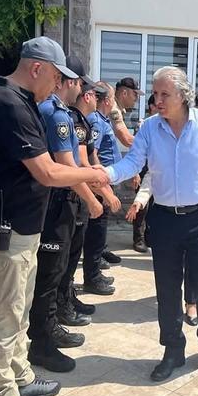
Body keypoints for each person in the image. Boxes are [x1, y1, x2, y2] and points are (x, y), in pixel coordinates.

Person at [0, 36, 108, 396]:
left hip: (27, 226)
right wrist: (94, 175)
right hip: (9, 228)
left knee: (20, 308)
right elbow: (47, 172)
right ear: (37, 68)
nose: (59, 85)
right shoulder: (6, 103)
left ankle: (20, 375)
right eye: (56, 77)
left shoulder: (27, 102)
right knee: (5, 312)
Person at [106, 66, 198, 381]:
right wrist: (106, 175)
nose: (158, 100)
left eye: (164, 94)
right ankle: (172, 350)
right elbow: (133, 162)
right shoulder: (150, 129)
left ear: (183, 95)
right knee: (167, 290)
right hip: (165, 219)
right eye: (155, 93)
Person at [27, 55, 110, 373]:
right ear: (71, 82)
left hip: (61, 199)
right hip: (58, 201)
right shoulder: (57, 114)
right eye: (80, 84)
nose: (83, 90)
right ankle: (43, 340)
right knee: (50, 274)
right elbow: (68, 165)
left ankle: (49, 327)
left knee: (58, 268)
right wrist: (93, 196)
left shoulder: (58, 111)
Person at [56, 80, 120, 326]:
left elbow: (93, 160)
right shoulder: (75, 120)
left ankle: (67, 297)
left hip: (83, 192)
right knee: (64, 258)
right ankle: (61, 305)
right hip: (73, 195)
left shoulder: (82, 120)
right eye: (93, 93)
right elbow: (81, 164)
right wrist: (101, 195)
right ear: (87, 97)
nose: (96, 98)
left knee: (73, 254)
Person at [82, 82, 122, 295]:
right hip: (97, 184)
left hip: (103, 181)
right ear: (107, 100)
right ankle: (92, 276)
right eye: (113, 97)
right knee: (95, 231)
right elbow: (92, 155)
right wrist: (103, 185)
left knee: (99, 231)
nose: (114, 102)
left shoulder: (103, 120)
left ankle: (95, 271)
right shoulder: (96, 121)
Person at [110, 77, 146, 253]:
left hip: (109, 166)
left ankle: (100, 251)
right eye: (134, 94)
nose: (136, 99)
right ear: (124, 93)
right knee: (97, 215)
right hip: (101, 167)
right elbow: (125, 138)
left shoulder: (119, 109)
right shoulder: (113, 108)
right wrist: (148, 143)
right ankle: (95, 256)